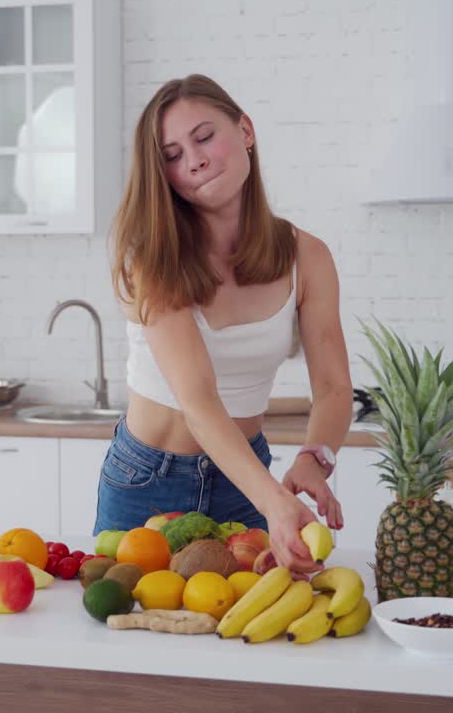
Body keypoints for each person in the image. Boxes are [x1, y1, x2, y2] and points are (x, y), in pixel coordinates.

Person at [96, 74, 355, 575]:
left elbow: (333, 385)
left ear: (245, 131)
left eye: (204, 136)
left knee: (249, 636)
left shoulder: (308, 257)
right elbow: (199, 401)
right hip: (148, 479)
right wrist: (275, 503)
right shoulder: (153, 259)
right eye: (171, 155)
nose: (192, 160)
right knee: (130, 638)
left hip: (246, 478)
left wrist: (313, 459)